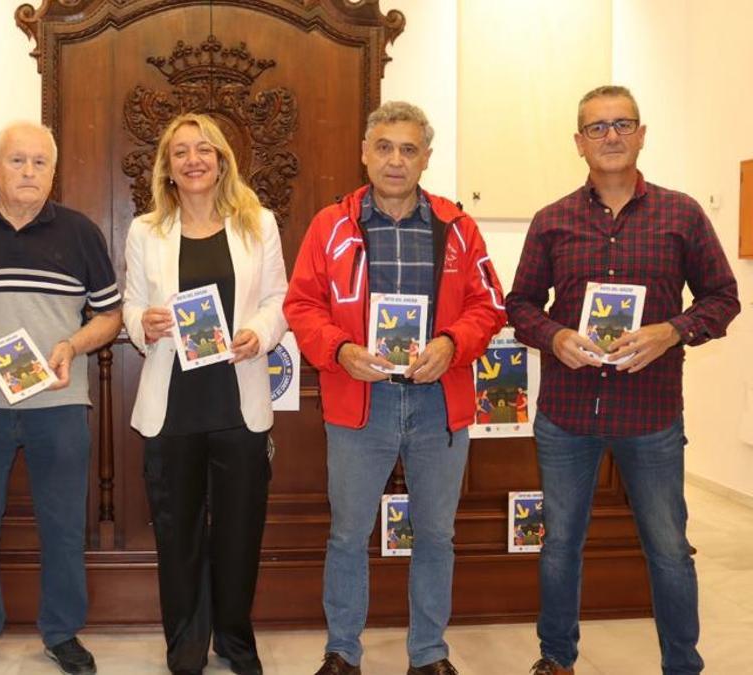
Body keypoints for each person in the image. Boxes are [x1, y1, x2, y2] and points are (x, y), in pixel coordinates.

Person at [506, 85, 739, 675]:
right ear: (579, 142)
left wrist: (673, 330)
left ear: (640, 134)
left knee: (668, 550)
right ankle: (556, 660)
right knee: (560, 546)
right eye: (596, 127)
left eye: (621, 124)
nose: (610, 136)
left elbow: (723, 298)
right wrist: (555, 336)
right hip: (567, 412)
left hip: (651, 413)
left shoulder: (681, 213)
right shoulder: (552, 220)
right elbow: (521, 304)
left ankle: (682, 664)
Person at [283, 101, 506, 675]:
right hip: (362, 402)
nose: (396, 160)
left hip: (439, 401)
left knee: (435, 534)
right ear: (364, 153)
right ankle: (342, 653)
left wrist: (454, 344)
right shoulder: (330, 225)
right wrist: (340, 351)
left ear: (426, 158)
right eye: (384, 147)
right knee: (348, 534)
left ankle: (428, 655)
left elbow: (489, 304)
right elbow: (302, 304)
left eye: (409, 149)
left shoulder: (459, 227)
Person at [0, 121, 122, 675]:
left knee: (63, 527)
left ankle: (62, 634)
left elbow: (109, 316)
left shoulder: (82, 232)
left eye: (40, 163)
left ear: (53, 171)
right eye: (17, 161)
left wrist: (72, 343)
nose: (29, 173)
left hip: (59, 406)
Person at [122, 113, 288, 675]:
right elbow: (130, 303)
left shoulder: (257, 223)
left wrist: (259, 334)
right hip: (172, 406)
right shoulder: (146, 230)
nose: (193, 160)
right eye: (181, 153)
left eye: (204, 150)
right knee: (178, 536)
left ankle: (236, 642)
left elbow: (277, 300)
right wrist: (142, 322)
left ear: (222, 160)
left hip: (238, 402)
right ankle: (186, 647)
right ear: (167, 168)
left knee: (240, 534)